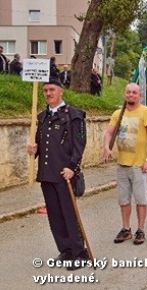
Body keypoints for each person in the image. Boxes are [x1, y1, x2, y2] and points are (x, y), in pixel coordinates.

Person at [27, 79, 87, 270]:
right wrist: (33, 149)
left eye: (52, 89)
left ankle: (80, 253)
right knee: (54, 215)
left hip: (64, 174)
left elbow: (80, 145)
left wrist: (72, 167)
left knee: (69, 215)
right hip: (47, 174)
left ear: (60, 92)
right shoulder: (42, 116)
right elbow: (40, 145)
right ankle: (66, 250)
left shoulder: (74, 116)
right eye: (45, 90)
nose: (48, 93)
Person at [103, 83, 147, 245]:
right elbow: (109, 132)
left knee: (141, 199)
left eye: (134, 92)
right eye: (128, 92)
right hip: (122, 164)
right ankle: (126, 229)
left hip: (139, 164)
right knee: (123, 200)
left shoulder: (146, 112)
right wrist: (106, 147)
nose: (131, 95)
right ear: (124, 94)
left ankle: (140, 230)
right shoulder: (118, 113)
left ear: (139, 95)